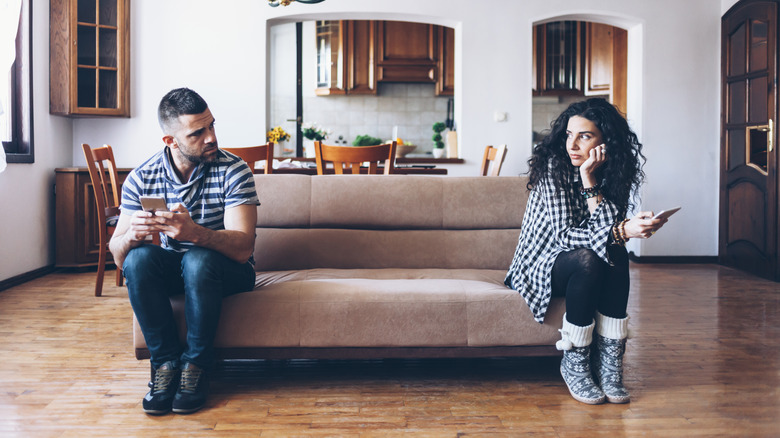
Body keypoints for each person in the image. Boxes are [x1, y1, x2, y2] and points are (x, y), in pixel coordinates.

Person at [505, 98, 667, 405]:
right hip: (541, 262)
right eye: (569, 135)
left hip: (583, 256)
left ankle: (609, 364)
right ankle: (575, 361)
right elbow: (566, 237)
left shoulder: (612, 171)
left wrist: (591, 180)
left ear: (606, 141)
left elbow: (604, 234)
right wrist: (621, 228)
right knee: (592, 255)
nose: (573, 144)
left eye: (585, 136)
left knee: (615, 251)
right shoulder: (554, 169)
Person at [109, 88, 259, 415]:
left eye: (211, 126)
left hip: (228, 271)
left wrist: (194, 234)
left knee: (198, 258)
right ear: (170, 141)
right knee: (139, 258)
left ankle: (197, 366)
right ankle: (164, 366)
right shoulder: (141, 178)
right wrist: (131, 236)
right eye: (197, 133)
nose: (211, 138)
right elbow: (119, 258)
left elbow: (244, 247)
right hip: (176, 270)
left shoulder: (234, 170)